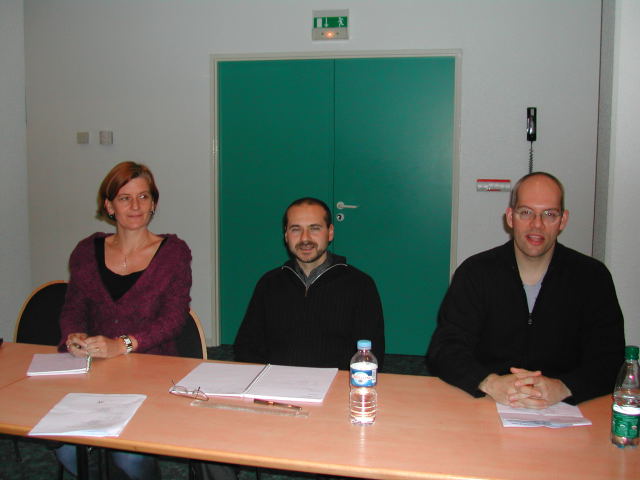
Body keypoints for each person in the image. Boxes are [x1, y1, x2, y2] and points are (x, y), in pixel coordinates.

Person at [427, 172, 625, 409]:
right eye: (526, 212)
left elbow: (611, 358)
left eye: (549, 214)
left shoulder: (592, 277)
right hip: (487, 400)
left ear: (563, 220)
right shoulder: (475, 273)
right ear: (511, 217)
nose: (537, 224)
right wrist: (489, 382)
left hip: (566, 407)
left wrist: (565, 386)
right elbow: (445, 349)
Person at [56, 161, 192, 479]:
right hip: (95, 371)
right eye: (124, 198)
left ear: (153, 203)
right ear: (109, 206)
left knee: (128, 456)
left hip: (152, 370)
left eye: (143, 197)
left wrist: (123, 344)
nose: (135, 206)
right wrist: (73, 335)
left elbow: (175, 317)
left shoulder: (174, 253)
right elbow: (73, 308)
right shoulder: (86, 251)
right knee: (66, 449)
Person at [234, 197, 385, 369]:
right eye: (296, 229)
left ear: (330, 232)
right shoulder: (269, 283)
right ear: (286, 235)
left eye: (314, 228)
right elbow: (246, 347)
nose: (305, 238)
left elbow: (370, 355)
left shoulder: (360, 285)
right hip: (277, 379)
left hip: (335, 381)